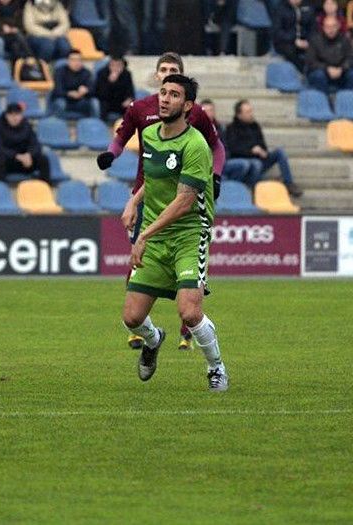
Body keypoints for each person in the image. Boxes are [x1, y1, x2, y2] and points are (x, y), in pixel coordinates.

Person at [96, 52, 225, 352]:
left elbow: (216, 148)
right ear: (156, 77)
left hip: (186, 211)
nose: (167, 77)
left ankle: (189, 333)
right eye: (163, 72)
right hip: (150, 198)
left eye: (173, 72)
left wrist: (215, 177)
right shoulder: (142, 113)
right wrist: (115, 163)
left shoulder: (195, 124)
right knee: (137, 265)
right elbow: (123, 138)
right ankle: (144, 331)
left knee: (189, 302)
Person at [121, 73, 227, 393]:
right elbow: (152, 180)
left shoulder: (195, 145)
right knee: (132, 318)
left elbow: (184, 201)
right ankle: (154, 340)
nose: (165, 99)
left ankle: (216, 368)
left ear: (188, 105)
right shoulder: (151, 135)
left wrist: (143, 235)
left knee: (190, 312)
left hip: (189, 232)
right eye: (162, 93)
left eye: (174, 95)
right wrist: (133, 202)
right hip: (156, 233)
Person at [223, 100, 303, 196]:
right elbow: (233, 149)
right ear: (239, 115)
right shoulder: (231, 128)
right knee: (256, 164)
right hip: (244, 162)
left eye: (251, 111)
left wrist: (263, 151)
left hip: (259, 159)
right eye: (248, 112)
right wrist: (251, 151)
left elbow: (262, 145)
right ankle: (254, 190)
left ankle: (289, 183)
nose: (251, 114)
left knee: (280, 152)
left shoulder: (255, 126)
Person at [306, 16, 353, 95]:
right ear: (323, 27)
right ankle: (325, 102)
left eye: (333, 26)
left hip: (341, 71)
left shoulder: (345, 40)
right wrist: (327, 68)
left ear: (338, 27)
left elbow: (351, 58)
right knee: (318, 75)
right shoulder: (315, 41)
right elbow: (311, 61)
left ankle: (346, 100)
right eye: (327, 27)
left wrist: (342, 68)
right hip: (322, 71)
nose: (330, 30)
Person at [0, 102, 51, 182]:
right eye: (11, 115)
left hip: (27, 161)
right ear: (6, 116)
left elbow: (36, 145)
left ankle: (45, 187)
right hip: (10, 161)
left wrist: (29, 155)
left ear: (21, 115)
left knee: (44, 159)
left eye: (17, 115)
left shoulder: (27, 126)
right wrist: (17, 156)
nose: (14, 118)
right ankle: (1, 190)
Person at [50, 49, 99, 119]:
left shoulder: (86, 73)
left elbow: (93, 90)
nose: (76, 63)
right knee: (60, 103)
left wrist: (86, 90)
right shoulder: (60, 72)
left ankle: (95, 125)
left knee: (94, 102)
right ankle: (60, 126)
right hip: (65, 100)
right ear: (68, 61)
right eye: (73, 60)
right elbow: (57, 91)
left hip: (81, 101)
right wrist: (69, 94)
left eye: (79, 60)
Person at [272, 0, 313, 71]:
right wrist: (294, 40)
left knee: (318, 48)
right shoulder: (280, 8)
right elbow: (277, 32)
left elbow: (313, 28)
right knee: (289, 50)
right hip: (287, 41)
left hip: (305, 40)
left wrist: (308, 41)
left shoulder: (308, 6)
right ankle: (301, 70)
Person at [94, 55, 135, 123]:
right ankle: (103, 125)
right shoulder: (102, 73)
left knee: (131, 106)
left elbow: (130, 90)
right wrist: (110, 82)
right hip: (106, 101)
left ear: (123, 66)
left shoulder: (127, 74)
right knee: (102, 105)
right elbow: (100, 93)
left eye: (118, 65)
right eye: (112, 65)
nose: (115, 68)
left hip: (121, 102)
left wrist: (129, 99)